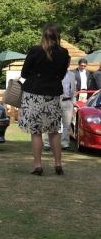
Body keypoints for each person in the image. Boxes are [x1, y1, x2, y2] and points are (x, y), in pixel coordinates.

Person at [19, 23, 70, 176]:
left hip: (33, 94)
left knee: (36, 132)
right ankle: (58, 164)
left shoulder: (36, 50)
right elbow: (61, 75)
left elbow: (24, 72)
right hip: (53, 95)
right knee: (54, 131)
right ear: (57, 36)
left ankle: (38, 166)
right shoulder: (64, 53)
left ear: (43, 35)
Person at [42, 70, 76, 151]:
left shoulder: (71, 74)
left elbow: (74, 89)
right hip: (54, 101)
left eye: (68, 62)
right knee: (49, 123)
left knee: (67, 124)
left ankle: (65, 144)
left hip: (67, 101)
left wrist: (73, 102)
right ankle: (47, 144)